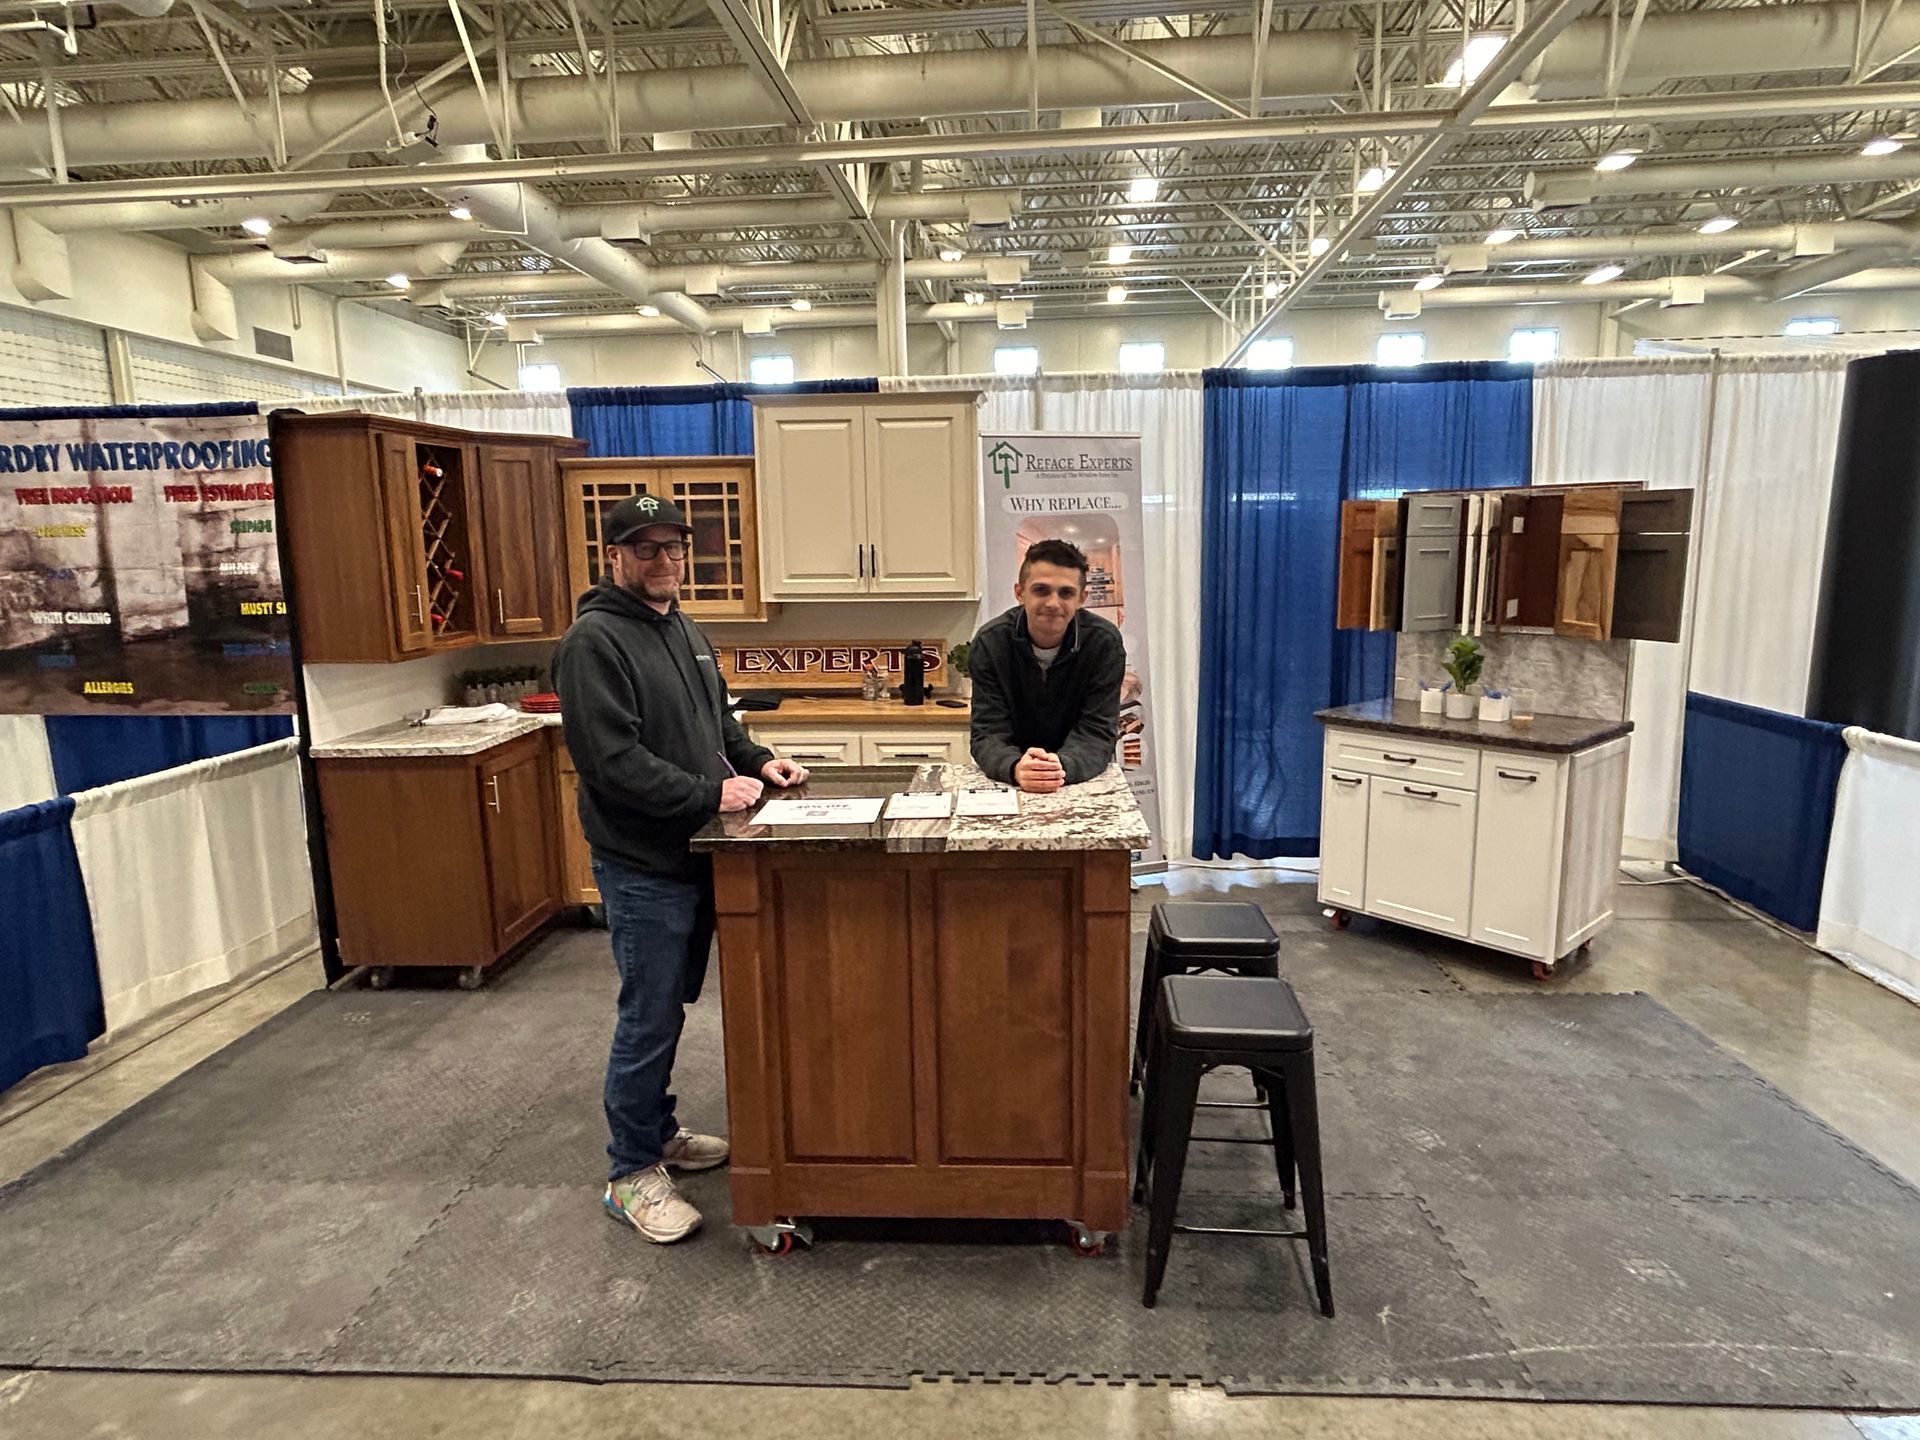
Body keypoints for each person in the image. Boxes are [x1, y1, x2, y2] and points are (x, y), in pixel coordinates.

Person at [552, 492, 809, 1244]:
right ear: (615, 557)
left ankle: (659, 1134)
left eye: (674, 548)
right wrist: (708, 792)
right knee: (650, 1013)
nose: (665, 562)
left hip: (697, 855)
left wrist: (762, 762)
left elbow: (719, 724)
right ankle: (630, 1172)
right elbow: (610, 762)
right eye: (646, 549)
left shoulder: (683, 629)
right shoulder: (593, 642)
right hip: (643, 864)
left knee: (672, 1006)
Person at [968, 537, 1126, 794]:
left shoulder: (1104, 643)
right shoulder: (990, 643)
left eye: (1066, 593)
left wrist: (1059, 767)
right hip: (1011, 779)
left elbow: (1097, 731)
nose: (1053, 603)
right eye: (1041, 590)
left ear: (1082, 598)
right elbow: (988, 732)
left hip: (1077, 776)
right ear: (1020, 593)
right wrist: (1016, 767)